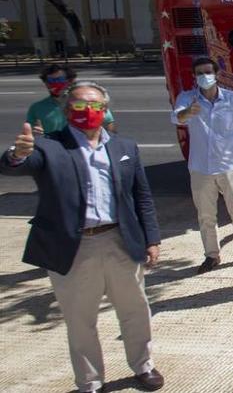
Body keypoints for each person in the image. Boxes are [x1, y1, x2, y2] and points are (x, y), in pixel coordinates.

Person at [2, 81, 164, 393]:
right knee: (80, 320)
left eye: (95, 106)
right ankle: (90, 381)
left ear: (105, 111)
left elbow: (141, 196)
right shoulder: (49, 146)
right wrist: (16, 155)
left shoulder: (124, 146)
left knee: (135, 310)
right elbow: (19, 164)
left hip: (120, 241)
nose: (87, 111)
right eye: (78, 105)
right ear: (66, 110)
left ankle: (143, 366)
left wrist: (152, 239)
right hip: (74, 247)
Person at [172, 57, 233, 274]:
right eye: (199, 73)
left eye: (208, 72)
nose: (204, 76)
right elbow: (177, 118)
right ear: (194, 76)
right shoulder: (187, 98)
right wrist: (188, 112)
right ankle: (212, 255)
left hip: (231, 166)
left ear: (216, 74)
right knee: (206, 215)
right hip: (201, 167)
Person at [27, 64, 116, 134]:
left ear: (70, 81)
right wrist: (35, 135)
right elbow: (30, 132)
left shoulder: (90, 103)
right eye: (50, 81)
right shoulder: (37, 108)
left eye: (59, 80)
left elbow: (109, 126)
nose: (54, 84)